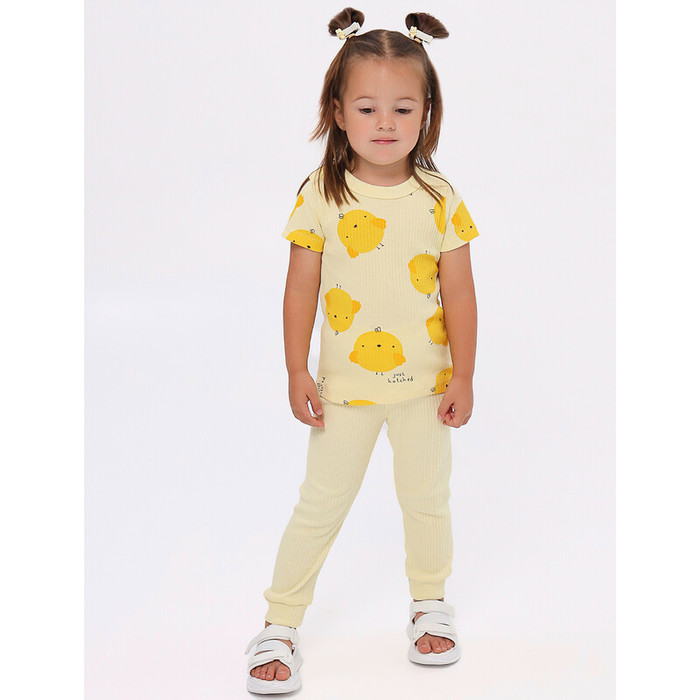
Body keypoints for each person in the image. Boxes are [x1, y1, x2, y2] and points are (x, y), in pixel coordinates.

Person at [245, 8, 479, 694]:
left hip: (425, 391)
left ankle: (429, 601)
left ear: (427, 112)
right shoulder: (321, 194)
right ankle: (281, 621)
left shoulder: (440, 198)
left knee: (427, 500)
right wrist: (295, 368)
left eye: (402, 108)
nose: (385, 123)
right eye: (367, 107)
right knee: (320, 506)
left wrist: (464, 374)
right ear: (337, 111)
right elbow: (299, 289)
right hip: (344, 392)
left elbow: (461, 293)